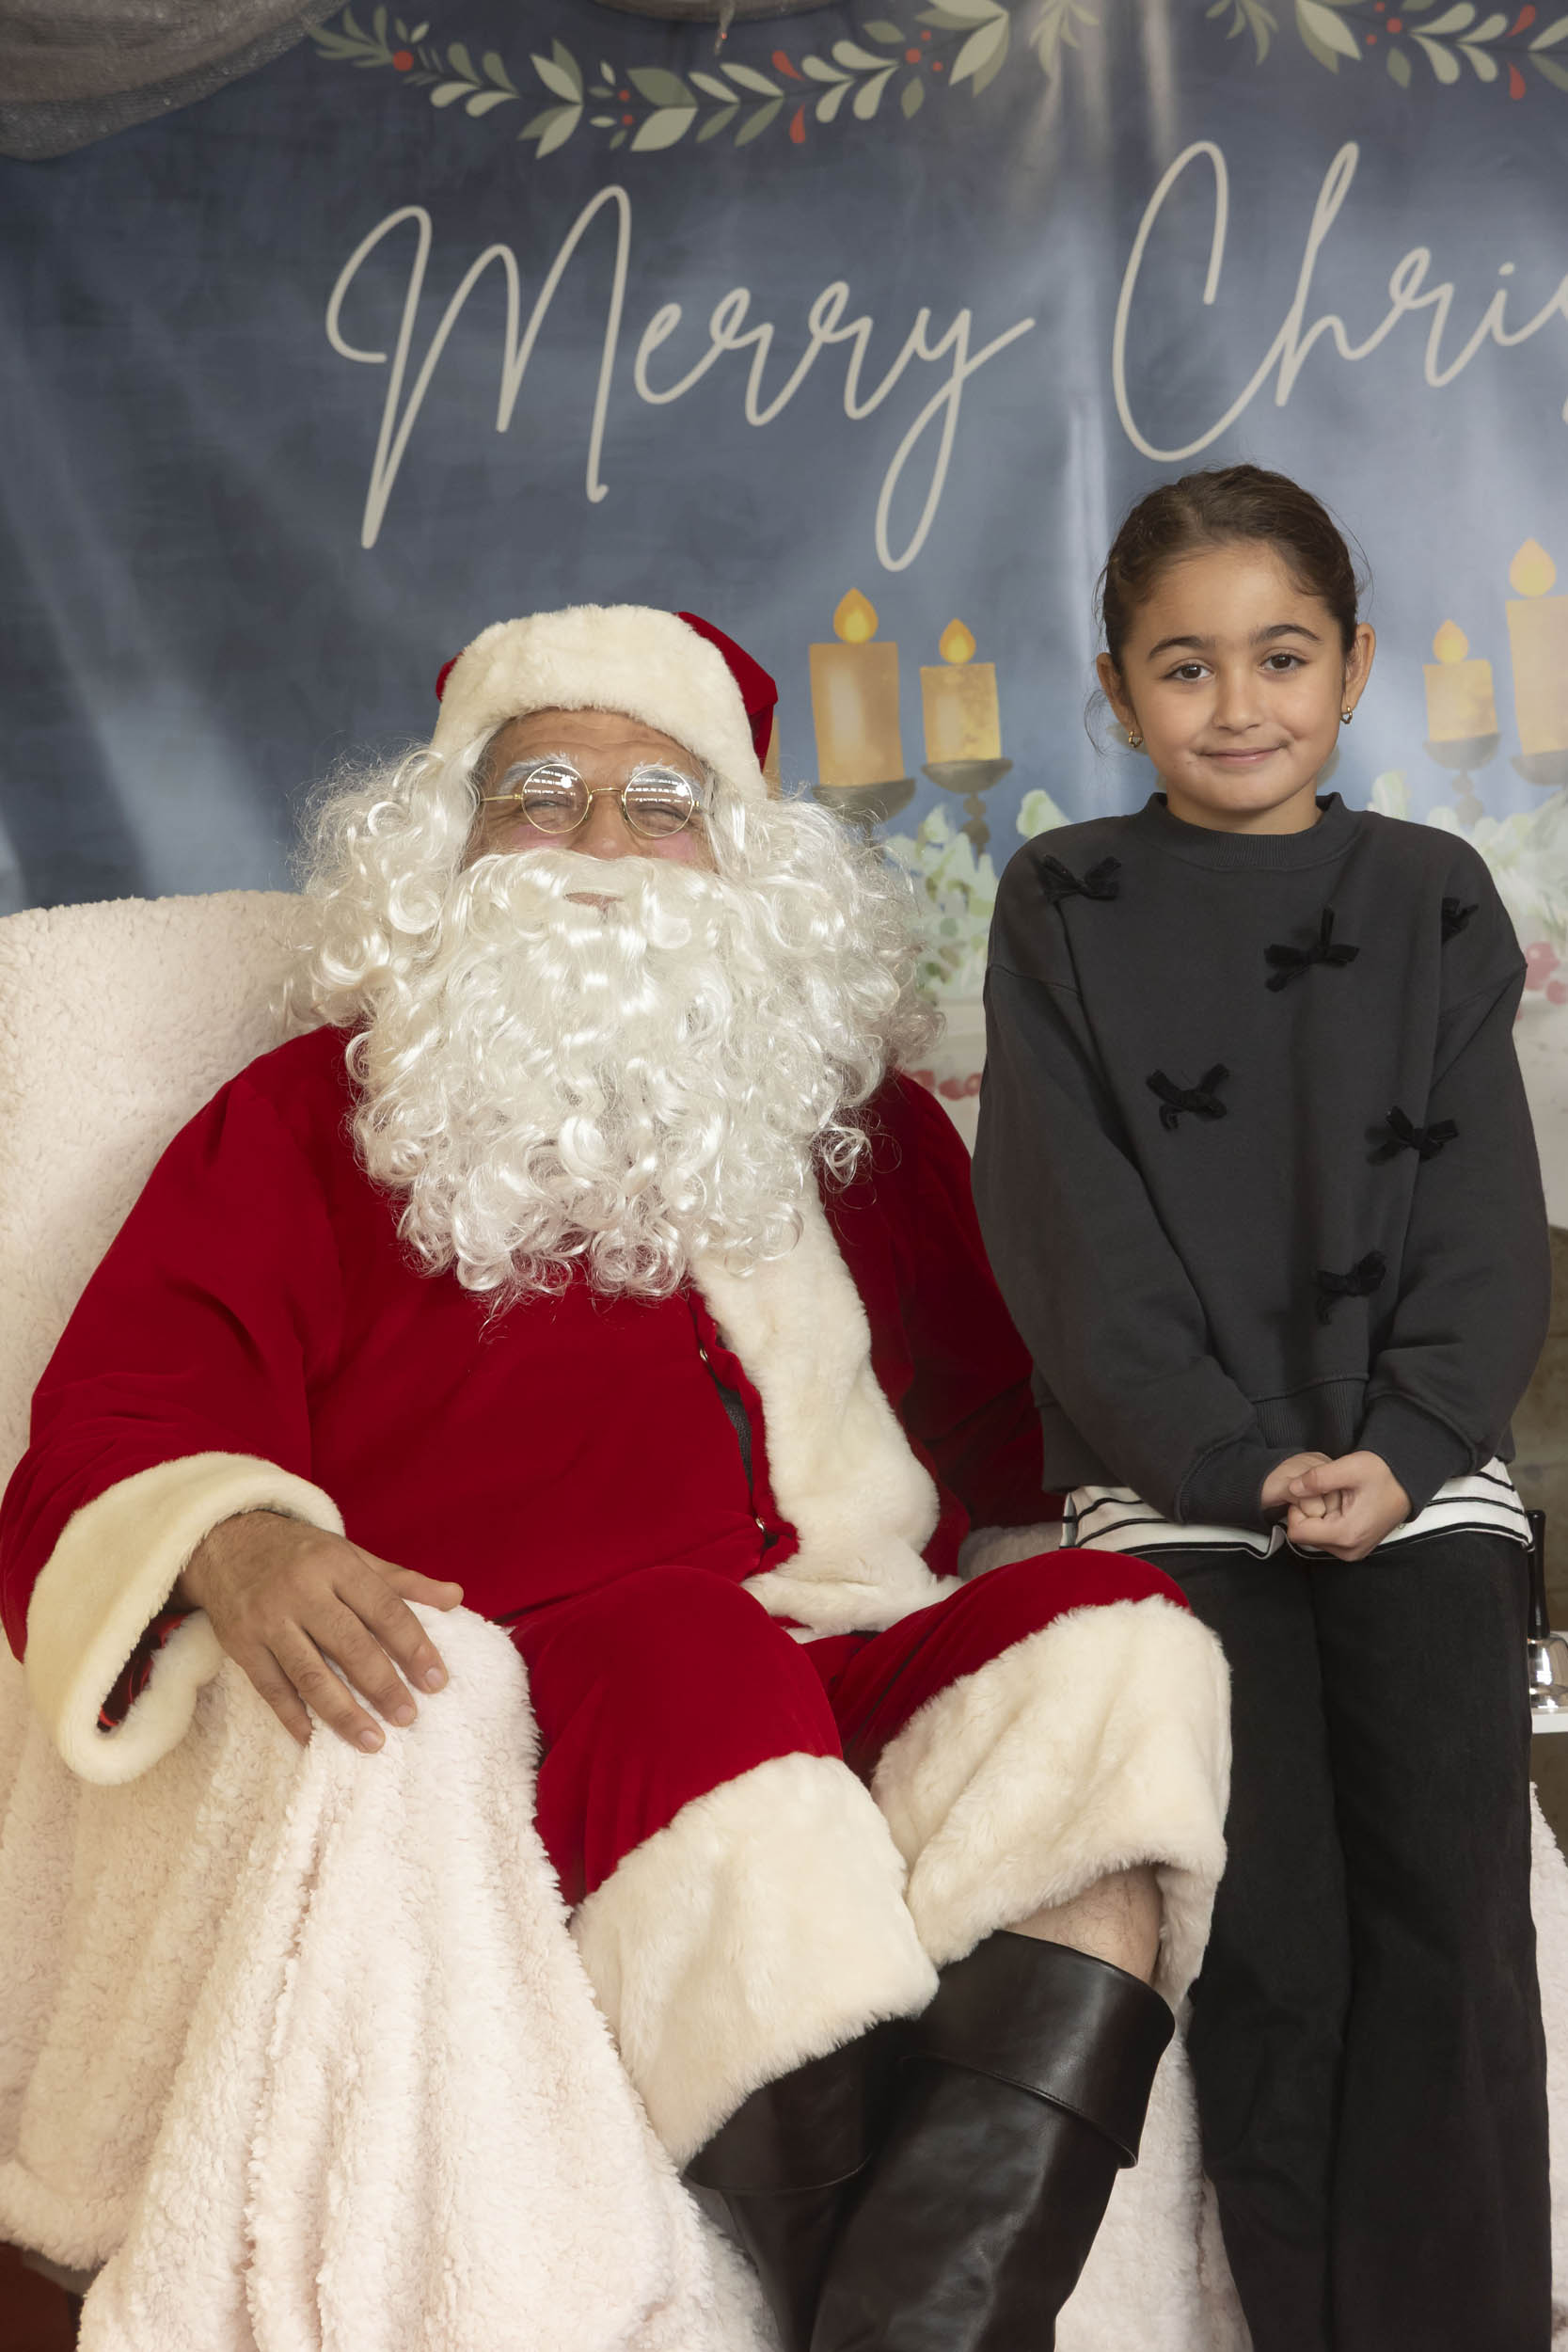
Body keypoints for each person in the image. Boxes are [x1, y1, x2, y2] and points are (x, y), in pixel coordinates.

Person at [0, 605, 1230, 2352]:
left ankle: (932, 2319)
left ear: (741, 857)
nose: (599, 841)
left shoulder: (859, 1130)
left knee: (1122, 1635)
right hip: (557, 1682)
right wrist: (244, 1539)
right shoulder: (308, 1116)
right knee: (689, 1640)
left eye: (663, 803)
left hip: (857, 1649)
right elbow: (121, 1414)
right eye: (542, 795)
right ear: (450, 844)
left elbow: (1037, 1413)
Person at [973, 466, 1552, 2352]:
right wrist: (1231, 1457)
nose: (1239, 704)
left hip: (1421, 1476)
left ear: (1356, 665)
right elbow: (1071, 1232)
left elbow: (1481, 1215)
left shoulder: (1428, 893)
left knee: (1450, 1928)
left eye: (1282, 656)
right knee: (1275, 1942)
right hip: (1177, 1486)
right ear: (1116, 689)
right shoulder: (1064, 899)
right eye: (1186, 665)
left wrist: (1408, 1444)